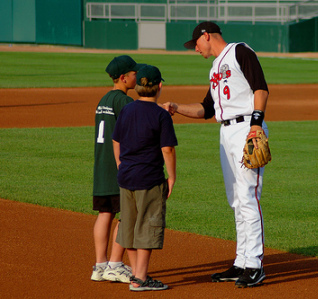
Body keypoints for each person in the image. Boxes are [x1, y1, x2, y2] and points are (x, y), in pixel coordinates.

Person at [165, 21, 269, 288]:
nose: (195, 49)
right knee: (235, 199)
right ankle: (241, 261)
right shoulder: (215, 67)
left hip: (247, 126)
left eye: (195, 44)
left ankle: (255, 265)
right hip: (226, 132)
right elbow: (206, 109)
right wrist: (175, 107)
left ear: (206, 36)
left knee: (248, 197)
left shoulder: (240, 52)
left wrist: (256, 124)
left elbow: (260, 88)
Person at [112, 64, 177, 291]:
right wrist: (172, 176)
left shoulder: (127, 109)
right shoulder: (161, 115)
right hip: (149, 178)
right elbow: (167, 149)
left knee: (128, 226)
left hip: (126, 177)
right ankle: (140, 278)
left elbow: (116, 140)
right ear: (159, 86)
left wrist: (120, 164)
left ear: (138, 85)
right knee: (147, 226)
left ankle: (136, 275)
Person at [91, 55, 143, 283]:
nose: (137, 76)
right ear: (123, 78)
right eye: (133, 74)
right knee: (127, 215)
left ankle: (100, 265)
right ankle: (114, 263)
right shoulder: (123, 102)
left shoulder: (104, 99)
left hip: (102, 168)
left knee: (105, 214)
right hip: (119, 169)